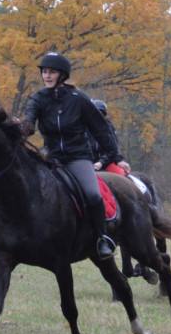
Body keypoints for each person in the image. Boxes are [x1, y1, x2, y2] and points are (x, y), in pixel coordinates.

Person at [21, 52, 125, 260]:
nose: (47, 76)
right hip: (51, 158)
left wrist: (115, 156)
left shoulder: (79, 100)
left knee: (93, 195)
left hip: (78, 158)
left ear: (62, 75)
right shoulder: (38, 98)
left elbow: (101, 130)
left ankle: (102, 238)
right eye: (44, 72)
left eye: (51, 72)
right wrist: (20, 127)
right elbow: (29, 123)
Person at [90, 100, 130, 176]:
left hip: (108, 162)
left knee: (123, 177)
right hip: (89, 163)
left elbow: (112, 150)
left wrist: (101, 162)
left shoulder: (109, 128)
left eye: (101, 113)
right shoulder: (84, 129)